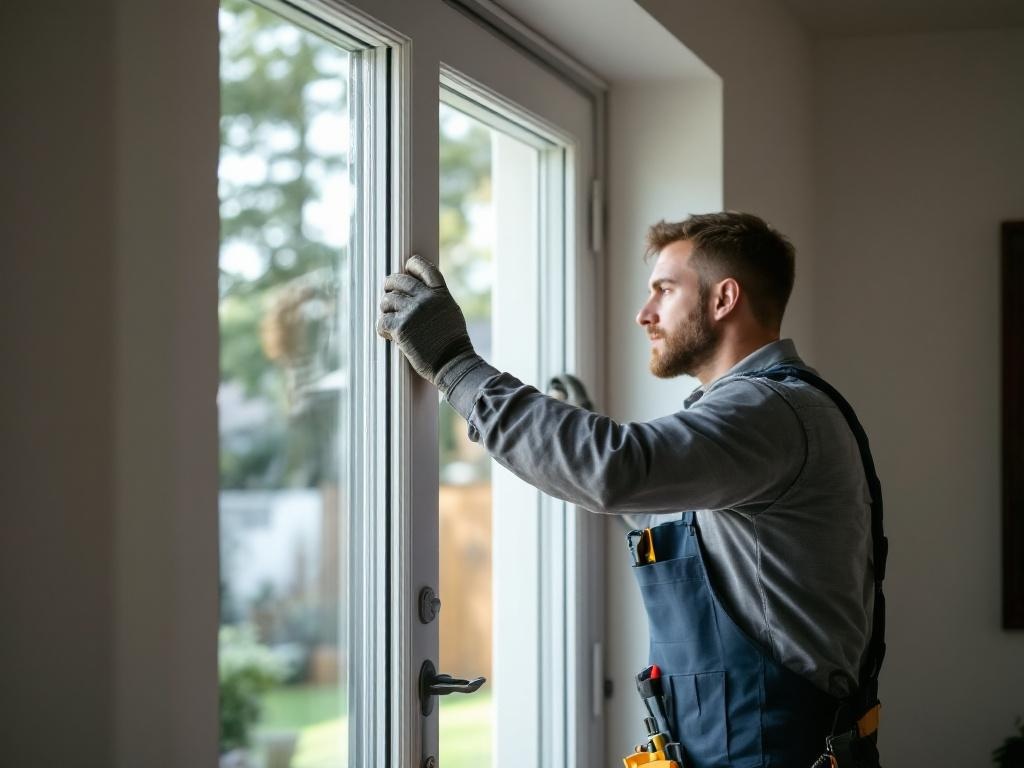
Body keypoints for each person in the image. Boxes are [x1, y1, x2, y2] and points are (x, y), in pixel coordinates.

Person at [377, 211, 883, 768]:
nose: (644, 314)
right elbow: (680, 521)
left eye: (664, 291)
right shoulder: (767, 415)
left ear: (723, 299)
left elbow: (615, 470)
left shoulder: (768, 410)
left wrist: (455, 366)